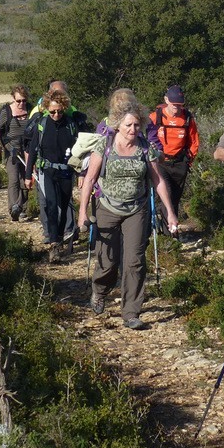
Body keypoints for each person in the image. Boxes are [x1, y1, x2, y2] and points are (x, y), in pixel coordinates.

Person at [78, 99, 179, 330]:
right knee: (108, 261)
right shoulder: (104, 145)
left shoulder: (145, 148)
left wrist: (170, 212)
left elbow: (158, 180)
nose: (133, 130)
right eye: (128, 126)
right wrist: (82, 212)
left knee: (135, 261)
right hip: (107, 208)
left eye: (136, 125)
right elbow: (90, 180)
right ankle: (100, 290)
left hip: (137, 209)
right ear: (117, 126)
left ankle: (131, 312)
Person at [27, 80, 89, 244]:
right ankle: (54, 242)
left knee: (64, 204)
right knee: (51, 205)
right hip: (47, 170)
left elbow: (82, 149)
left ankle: (60, 236)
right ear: (47, 108)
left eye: (60, 112)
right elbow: (33, 148)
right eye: (53, 111)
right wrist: (28, 175)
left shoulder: (71, 124)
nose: (56, 115)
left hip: (66, 172)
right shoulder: (41, 123)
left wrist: (82, 173)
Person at [152, 85, 199, 220]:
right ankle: (171, 231)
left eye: (179, 105)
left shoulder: (187, 119)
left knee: (175, 198)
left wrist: (188, 160)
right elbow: (146, 134)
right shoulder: (156, 117)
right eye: (174, 104)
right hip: (161, 163)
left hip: (179, 163)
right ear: (166, 100)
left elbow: (194, 141)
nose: (176, 108)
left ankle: (169, 226)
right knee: (166, 194)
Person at [0, 84, 32, 221]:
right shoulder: (7, 111)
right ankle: (14, 207)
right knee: (14, 178)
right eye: (18, 101)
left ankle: (22, 208)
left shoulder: (31, 110)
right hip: (12, 150)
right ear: (13, 98)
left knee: (25, 179)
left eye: (24, 100)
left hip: (28, 150)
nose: (21, 103)